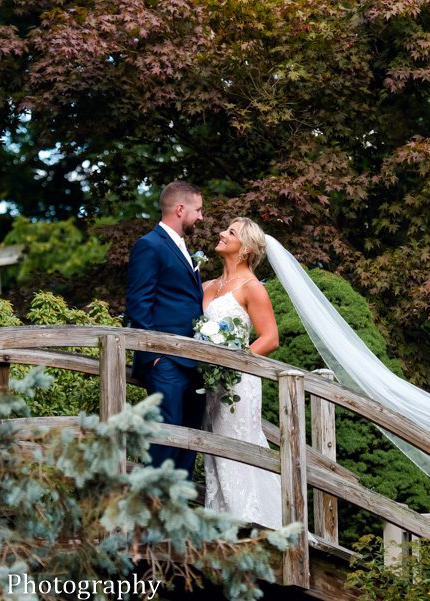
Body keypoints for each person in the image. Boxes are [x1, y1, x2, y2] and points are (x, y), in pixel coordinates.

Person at [201, 217, 282, 529]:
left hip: (237, 382)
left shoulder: (252, 288)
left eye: (230, 232)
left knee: (238, 440)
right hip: (209, 384)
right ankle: (219, 517)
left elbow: (269, 338)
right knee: (213, 444)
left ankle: (248, 518)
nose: (221, 233)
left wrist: (232, 362)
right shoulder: (207, 285)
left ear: (246, 248)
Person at [125, 181, 205, 476]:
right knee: (164, 441)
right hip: (166, 363)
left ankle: (178, 512)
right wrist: (155, 355)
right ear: (180, 209)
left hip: (193, 362)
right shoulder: (149, 245)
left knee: (189, 442)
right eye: (198, 210)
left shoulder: (184, 248)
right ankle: (154, 512)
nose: (201, 217)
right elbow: (138, 303)